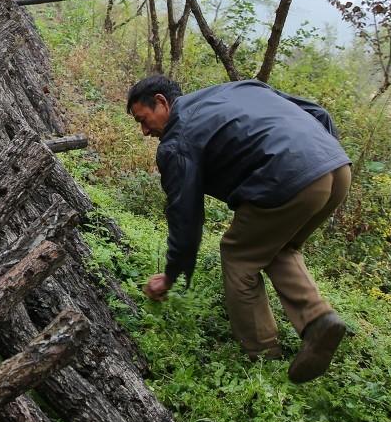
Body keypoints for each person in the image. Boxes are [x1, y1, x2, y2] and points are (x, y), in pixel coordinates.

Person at [127, 74, 352, 383]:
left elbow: (186, 216)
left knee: (239, 256)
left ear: (162, 102)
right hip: (336, 168)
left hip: (287, 177)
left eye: (143, 119)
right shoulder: (239, 88)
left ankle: (263, 357)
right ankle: (318, 320)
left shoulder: (176, 142)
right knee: (276, 245)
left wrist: (171, 275)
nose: (144, 130)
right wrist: (323, 159)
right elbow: (318, 114)